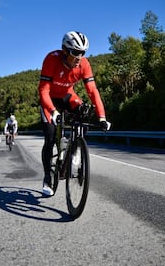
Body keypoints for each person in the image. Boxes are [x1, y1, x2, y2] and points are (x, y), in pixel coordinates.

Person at [38, 31, 111, 196]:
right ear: (65, 50)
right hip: (49, 99)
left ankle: (75, 150)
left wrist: (102, 117)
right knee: (49, 139)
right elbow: (43, 90)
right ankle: (48, 178)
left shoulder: (84, 64)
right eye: (75, 52)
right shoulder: (52, 59)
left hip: (67, 96)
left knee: (84, 112)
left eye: (83, 52)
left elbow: (92, 91)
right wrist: (52, 111)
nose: (79, 57)